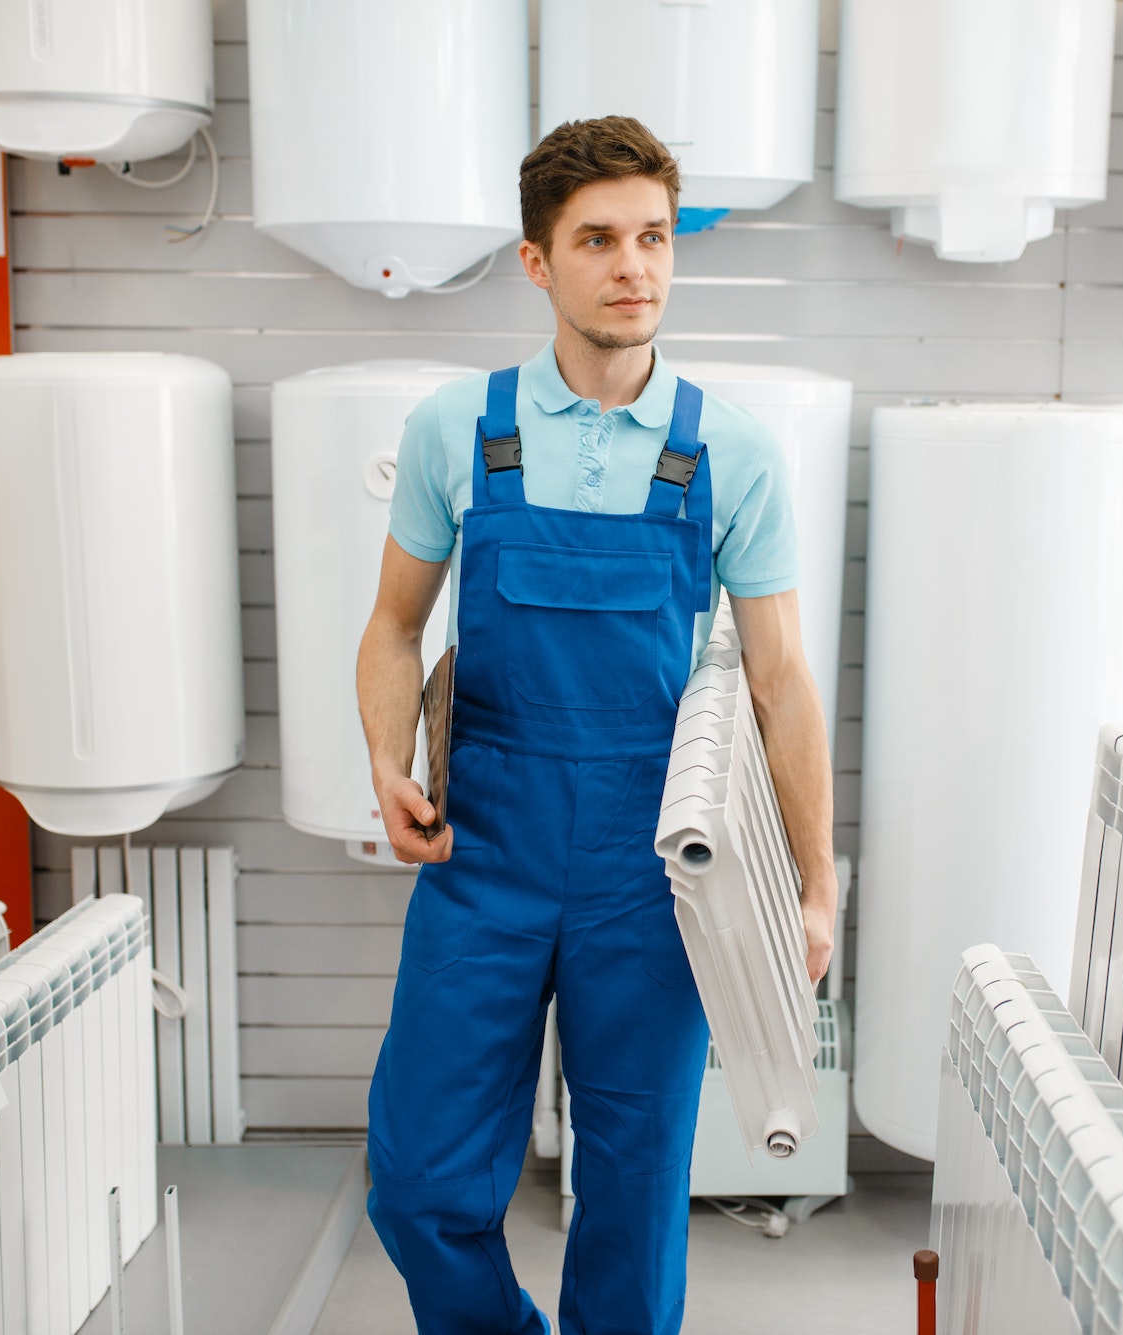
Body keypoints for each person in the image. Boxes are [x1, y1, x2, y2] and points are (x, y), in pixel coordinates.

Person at [356, 115, 838, 1334]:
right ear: (537, 261)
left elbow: (779, 683)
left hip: (655, 876)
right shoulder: (456, 434)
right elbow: (392, 630)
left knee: (630, 1206)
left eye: (654, 238)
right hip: (485, 860)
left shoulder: (729, 454)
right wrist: (383, 758)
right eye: (599, 240)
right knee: (417, 1187)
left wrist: (813, 883)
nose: (635, 266)